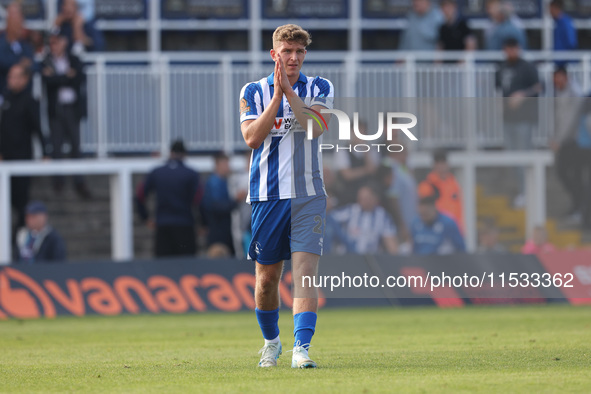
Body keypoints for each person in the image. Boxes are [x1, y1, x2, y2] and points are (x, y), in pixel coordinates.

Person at [239, 24, 333, 369]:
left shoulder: (320, 87)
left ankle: (301, 349)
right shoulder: (253, 91)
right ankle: (271, 343)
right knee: (266, 280)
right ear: (273, 54)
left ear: (304, 55)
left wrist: (290, 95)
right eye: (287, 51)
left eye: (299, 52)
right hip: (268, 196)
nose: (293, 57)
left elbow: (316, 127)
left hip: (309, 194)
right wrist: (277, 97)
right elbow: (251, 138)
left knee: (306, 273)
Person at [41, 32, 90, 198]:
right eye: (51, 43)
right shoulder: (46, 60)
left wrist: (58, 78)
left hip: (72, 108)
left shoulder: (74, 58)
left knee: (76, 146)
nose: (53, 46)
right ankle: (58, 181)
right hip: (56, 109)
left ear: (64, 42)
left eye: (56, 42)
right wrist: (65, 77)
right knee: (56, 146)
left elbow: (79, 78)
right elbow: (48, 81)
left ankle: (79, 181)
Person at [0, 64, 48, 229]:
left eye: (14, 76)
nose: (10, 80)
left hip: (22, 158)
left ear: (25, 79)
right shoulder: (5, 99)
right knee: (6, 198)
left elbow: (38, 128)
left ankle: (19, 234)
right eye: (9, 76)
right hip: (4, 159)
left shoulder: (30, 101)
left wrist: (45, 153)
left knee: (21, 200)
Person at [135, 140, 202, 258]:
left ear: (170, 152)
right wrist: (203, 222)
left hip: (163, 226)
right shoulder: (191, 174)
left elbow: (139, 195)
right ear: (185, 154)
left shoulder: (157, 172)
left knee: (164, 269)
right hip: (185, 226)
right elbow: (200, 200)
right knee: (187, 268)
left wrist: (145, 217)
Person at [496, 38, 541, 207]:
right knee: (513, 157)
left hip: (524, 119)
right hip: (508, 119)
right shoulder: (501, 68)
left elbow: (538, 87)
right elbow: (499, 89)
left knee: (524, 156)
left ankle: (527, 191)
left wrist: (522, 95)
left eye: (513, 49)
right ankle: (523, 190)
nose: (511, 52)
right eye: (508, 49)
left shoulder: (527, 67)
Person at [551, 67, 585, 222]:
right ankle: (577, 206)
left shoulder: (575, 93)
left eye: (560, 77)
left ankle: (580, 208)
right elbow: (560, 118)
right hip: (566, 141)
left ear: (566, 77)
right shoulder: (560, 92)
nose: (557, 81)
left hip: (575, 143)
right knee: (565, 174)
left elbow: (571, 120)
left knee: (574, 176)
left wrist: (559, 139)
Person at [329, 185, 398, 255]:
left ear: (375, 199)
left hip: (371, 261)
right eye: (360, 197)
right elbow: (330, 218)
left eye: (365, 198)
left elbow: (391, 242)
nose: (361, 200)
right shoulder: (350, 211)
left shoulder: (382, 216)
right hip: (347, 258)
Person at [202, 152, 246, 257]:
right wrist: (236, 200)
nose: (228, 167)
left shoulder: (225, 181)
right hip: (218, 229)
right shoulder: (214, 182)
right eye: (226, 164)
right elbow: (217, 206)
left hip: (224, 228)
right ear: (218, 165)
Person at [411, 182, 466, 255]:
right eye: (421, 215)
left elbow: (461, 249)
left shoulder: (448, 223)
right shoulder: (415, 223)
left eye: (426, 214)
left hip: (442, 264)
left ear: (434, 208)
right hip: (421, 264)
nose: (423, 217)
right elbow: (413, 249)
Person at [423, 149, 464, 232]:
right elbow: (425, 212)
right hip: (436, 231)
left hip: (455, 230)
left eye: (443, 162)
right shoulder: (427, 186)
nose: (441, 166)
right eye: (438, 162)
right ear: (433, 165)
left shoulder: (454, 184)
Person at [0, 2, 33, 99]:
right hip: (4, 96)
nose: (20, 26)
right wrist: (21, 65)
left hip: (24, 99)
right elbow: (3, 62)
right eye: (17, 21)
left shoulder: (26, 45)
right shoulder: (2, 43)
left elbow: (34, 64)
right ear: (9, 22)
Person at [549, 0, 577, 64]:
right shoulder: (557, 22)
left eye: (550, 9)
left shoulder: (566, 22)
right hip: (558, 60)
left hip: (566, 63)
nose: (549, 12)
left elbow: (571, 43)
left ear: (555, 8)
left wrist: (566, 58)